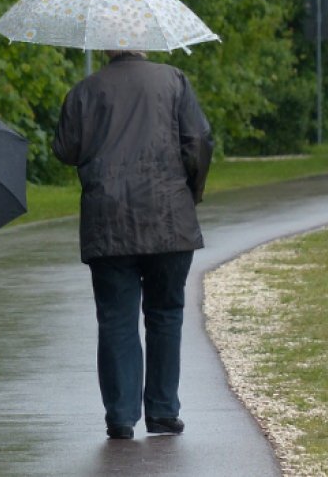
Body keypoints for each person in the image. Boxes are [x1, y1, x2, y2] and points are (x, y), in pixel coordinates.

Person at [52, 49, 213, 440]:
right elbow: (198, 140)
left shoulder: (84, 91)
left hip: (108, 221)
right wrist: (191, 192)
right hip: (169, 217)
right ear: (145, 42)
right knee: (165, 313)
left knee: (116, 318)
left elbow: (65, 150)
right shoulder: (174, 81)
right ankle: (163, 411)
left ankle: (121, 416)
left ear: (106, 47)